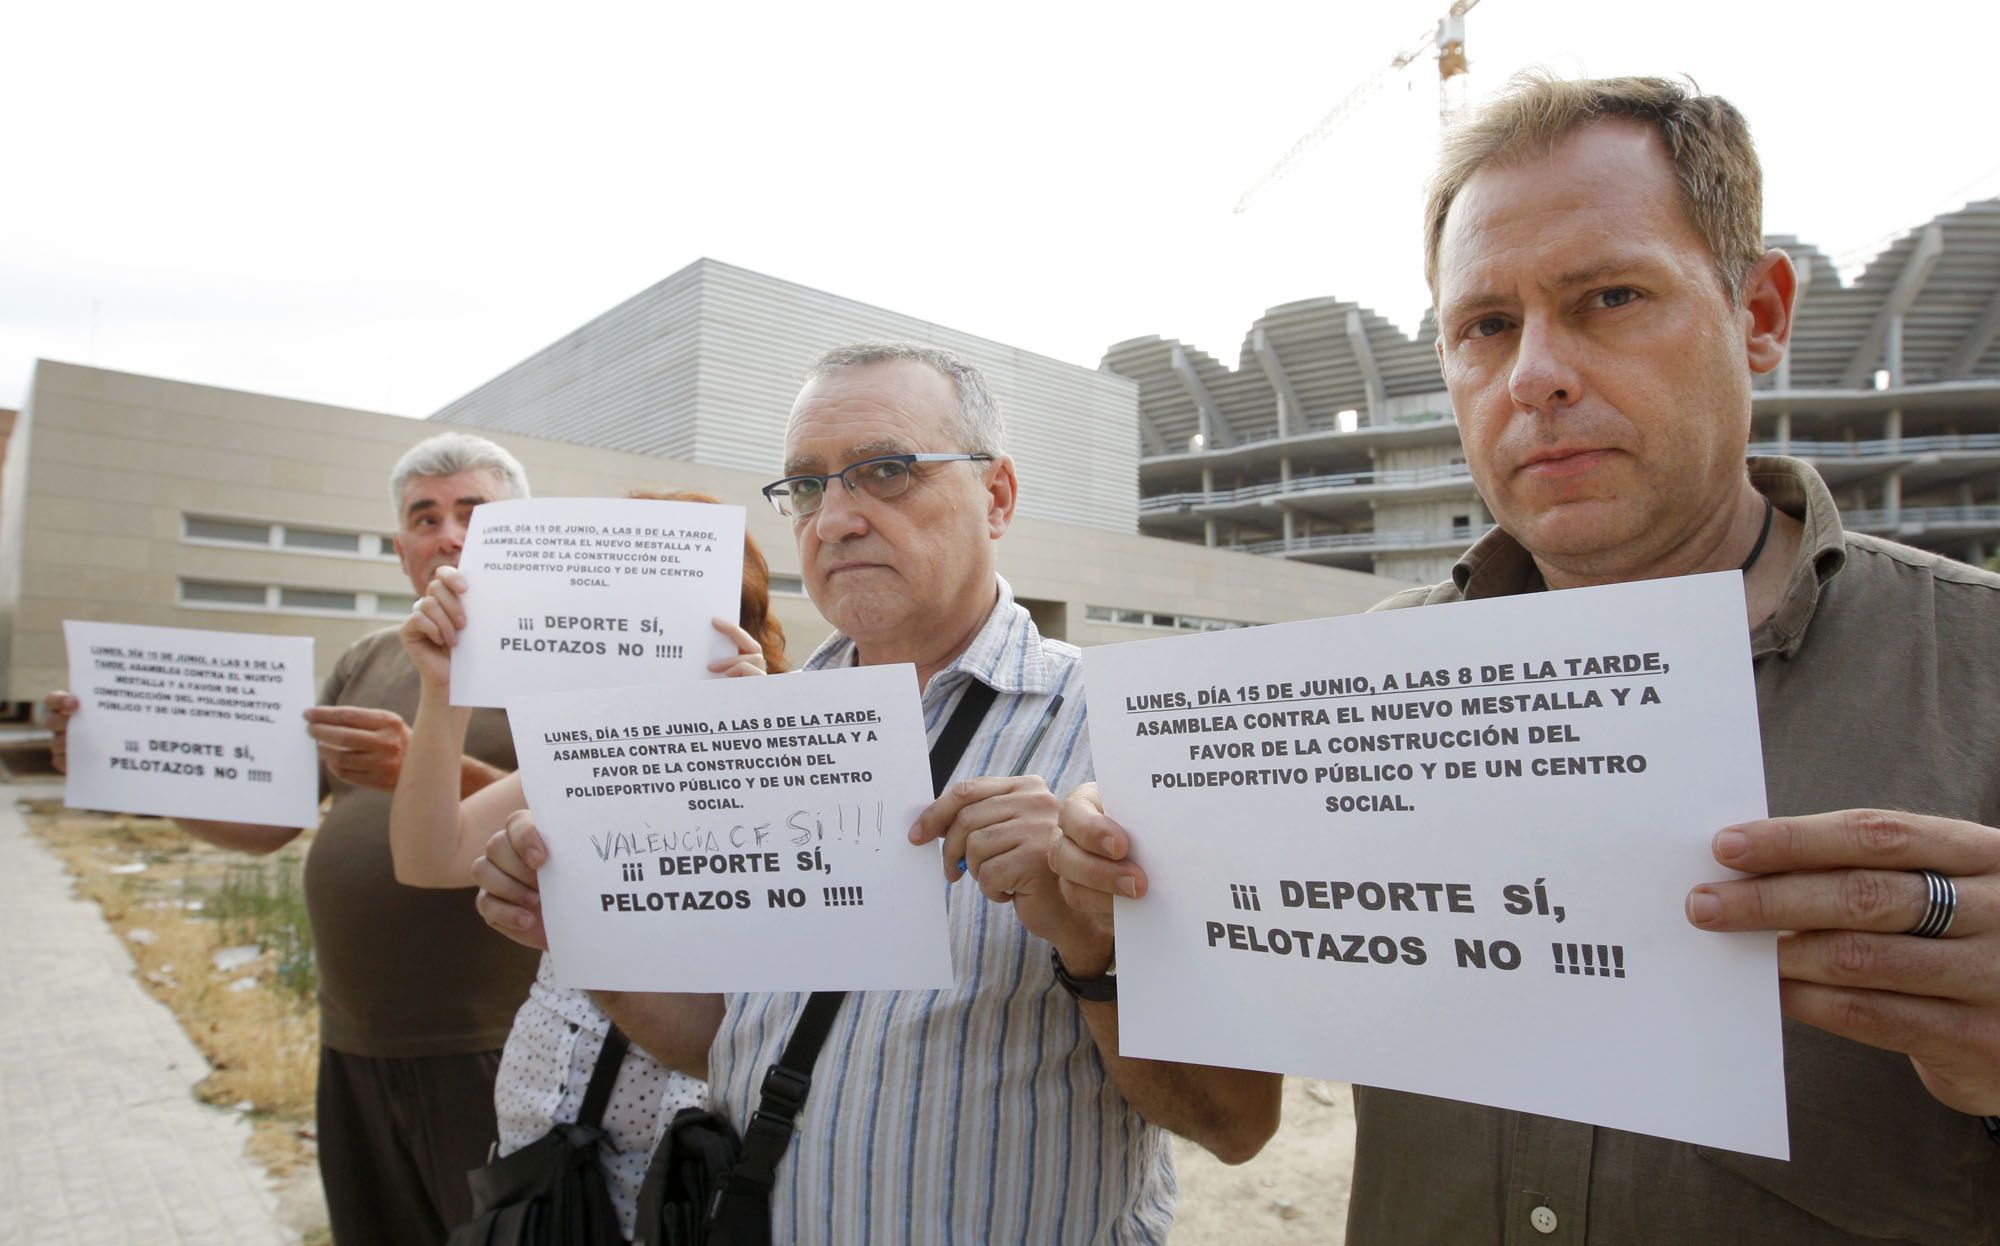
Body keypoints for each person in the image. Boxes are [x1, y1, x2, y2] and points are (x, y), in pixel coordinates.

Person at [1053, 75, 2000, 1242]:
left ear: (1756, 313)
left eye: (1607, 295)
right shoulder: (1348, 698)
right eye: (1484, 326)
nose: (1533, 375)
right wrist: (1122, 930)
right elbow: (1227, 1120)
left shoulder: (1975, 673)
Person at [470, 342, 1281, 1244]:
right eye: (808, 487)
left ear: (998, 496)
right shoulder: (757, 730)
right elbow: (730, 1048)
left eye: (886, 472)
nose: (836, 520)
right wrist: (593, 938)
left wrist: (1092, 949)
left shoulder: (1136, 735)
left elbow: (1235, 1124)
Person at [44, 431, 543, 1246]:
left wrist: (420, 766)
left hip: (489, 1041)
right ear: (400, 548)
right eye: (425, 517)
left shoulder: (564, 659)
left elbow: (587, 816)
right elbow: (267, 824)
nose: (447, 534)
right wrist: (124, 763)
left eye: (473, 511)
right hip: (355, 1038)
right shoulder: (372, 657)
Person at [390, 488, 784, 1241]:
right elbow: (428, 855)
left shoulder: (788, 735)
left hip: (676, 1168)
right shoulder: (587, 745)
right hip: (541, 1139)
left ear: (733, 618)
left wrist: (746, 741)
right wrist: (441, 693)